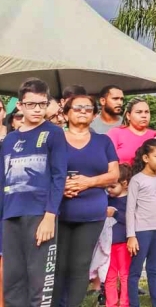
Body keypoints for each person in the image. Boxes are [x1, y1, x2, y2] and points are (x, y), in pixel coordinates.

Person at [1, 78, 69, 307]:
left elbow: (59, 176)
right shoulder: (9, 140)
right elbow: (3, 181)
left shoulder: (54, 134)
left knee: (40, 284)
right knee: (13, 282)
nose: (37, 109)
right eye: (31, 104)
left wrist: (50, 215)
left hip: (40, 215)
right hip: (10, 217)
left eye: (42, 103)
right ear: (20, 106)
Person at [56, 94, 120, 307]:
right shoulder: (54, 139)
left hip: (91, 212)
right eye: (77, 107)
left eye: (88, 108)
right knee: (58, 264)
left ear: (94, 115)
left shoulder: (103, 141)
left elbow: (114, 175)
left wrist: (88, 182)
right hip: (58, 211)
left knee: (80, 264)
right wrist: (61, 186)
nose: (83, 111)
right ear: (66, 113)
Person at [127, 139, 156, 307]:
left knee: (154, 270)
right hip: (141, 232)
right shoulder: (137, 180)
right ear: (146, 158)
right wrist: (131, 235)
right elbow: (130, 210)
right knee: (135, 272)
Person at [104, 165, 132, 307]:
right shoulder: (107, 199)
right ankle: (111, 303)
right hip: (108, 244)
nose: (109, 190)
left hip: (124, 243)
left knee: (125, 274)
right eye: (107, 186)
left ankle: (125, 303)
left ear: (125, 184)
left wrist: (115, 213)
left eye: (112, 186)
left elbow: (131, 220)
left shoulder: (130, 200)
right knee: (110, 276)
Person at [107, 99, 156, 166]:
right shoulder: (115, 133)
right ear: (128, 116)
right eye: (139, 112)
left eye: (146, 112)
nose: (144, 115)